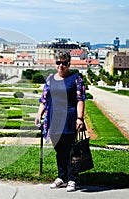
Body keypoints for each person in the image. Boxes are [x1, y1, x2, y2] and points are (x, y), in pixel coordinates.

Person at [35, 51, 86, 192]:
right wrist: (39, 114)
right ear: (55, 63)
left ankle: (72, 179)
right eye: (58, 62)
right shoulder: (51, 79)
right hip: (54, 120)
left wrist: (80, 118)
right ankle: (61, 177)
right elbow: (44, 100)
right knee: (59, 150)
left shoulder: (76, 79)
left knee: (71, 150)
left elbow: (80, 100)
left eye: (64, 63)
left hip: (69, 119)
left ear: (69, 64)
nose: (61, 65)